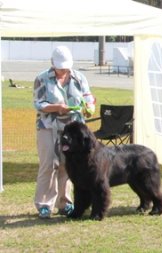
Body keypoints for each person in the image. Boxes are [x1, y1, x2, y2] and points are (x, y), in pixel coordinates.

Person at [33, 46, 95, 218]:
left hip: (73, 129)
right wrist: (57, 108)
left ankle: (65, 202)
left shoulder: (79, 77)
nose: (63, 70)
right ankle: (44, 204)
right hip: (48, 126)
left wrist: (90, 106)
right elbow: (39, 103)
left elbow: (88, 97)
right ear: (52, 63)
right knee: (48, 164)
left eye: (65, 67)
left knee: (67, 165)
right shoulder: (42, 79)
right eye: (60, 67)